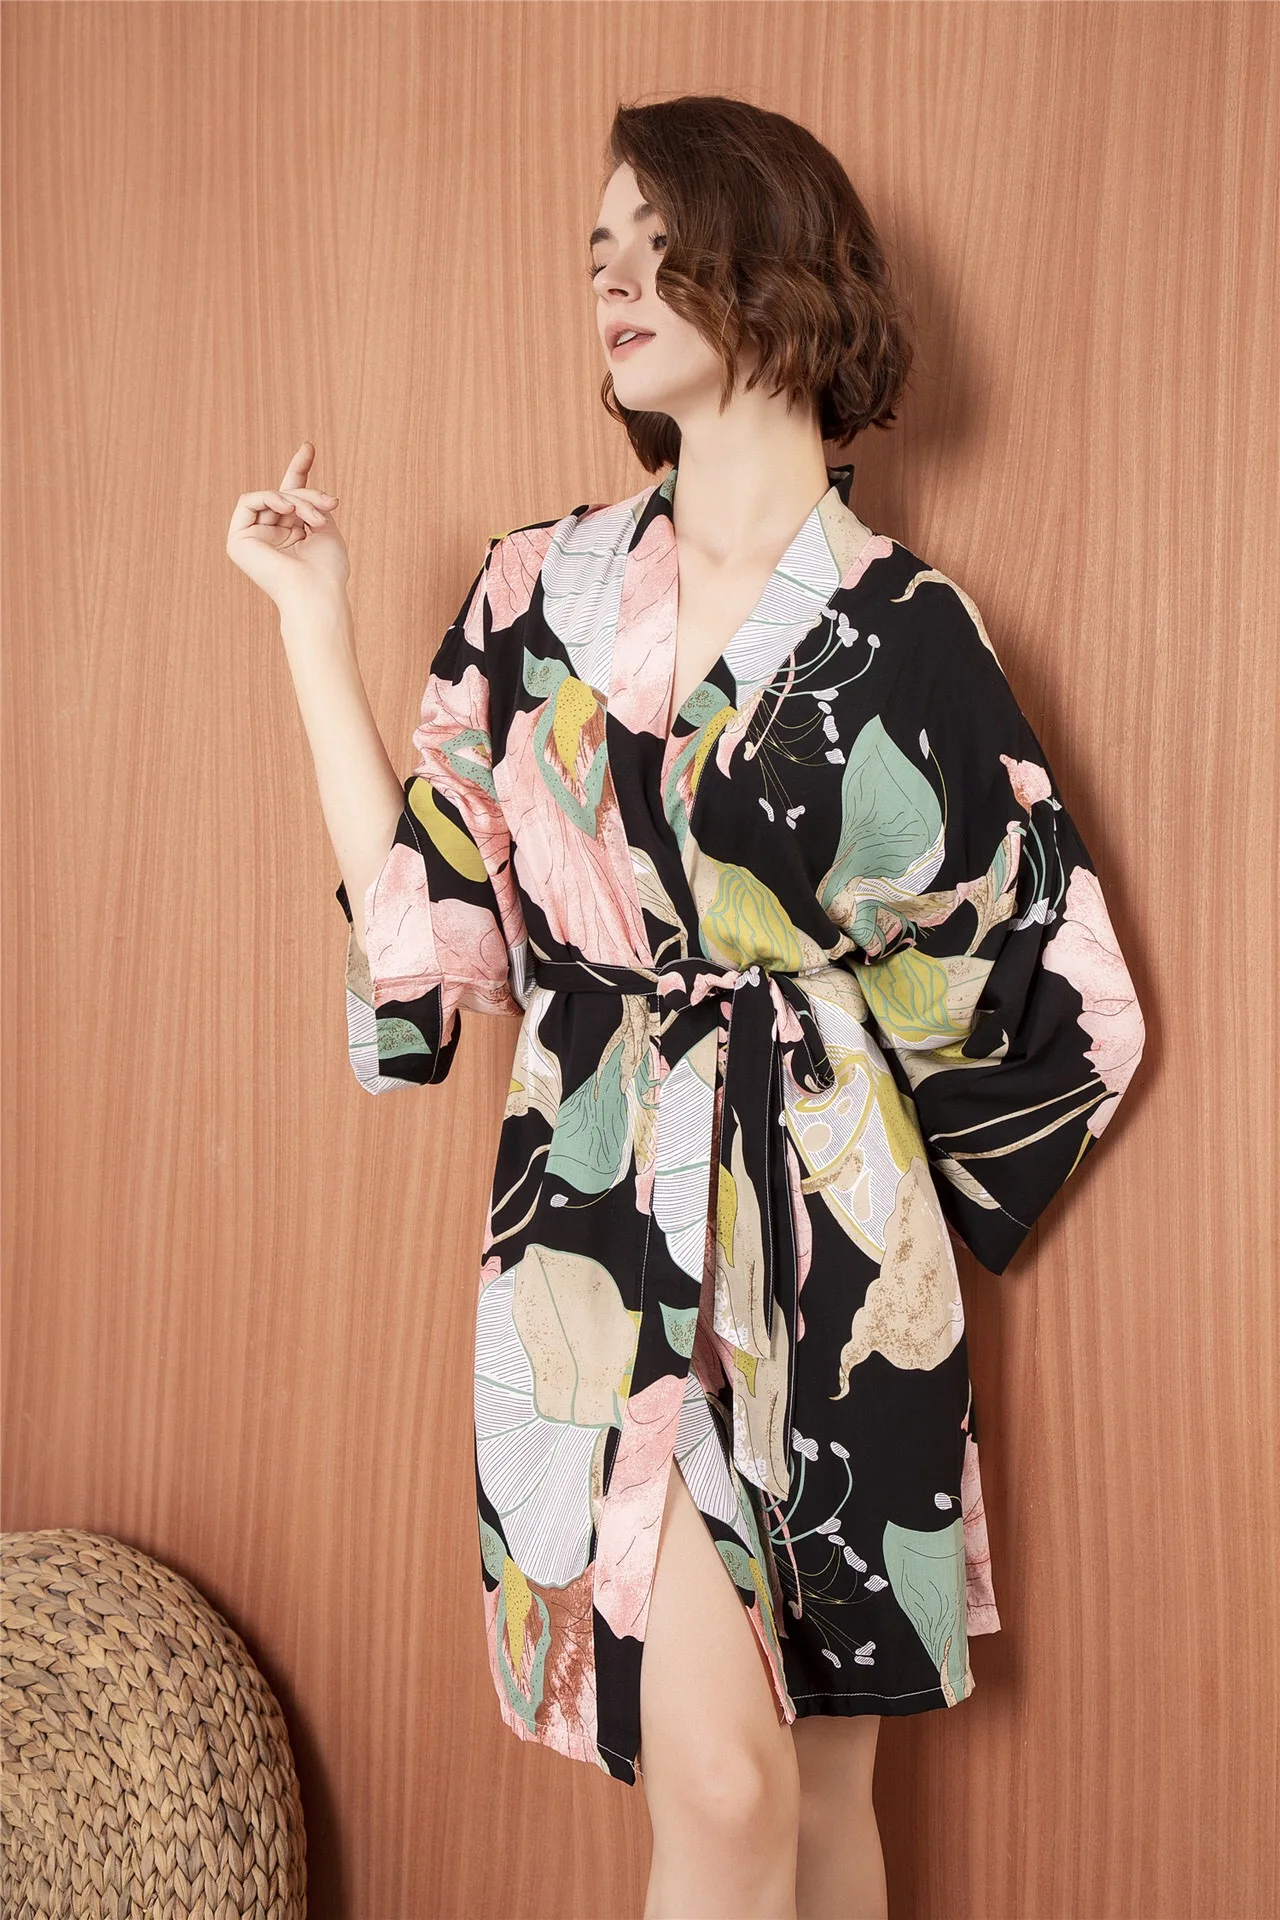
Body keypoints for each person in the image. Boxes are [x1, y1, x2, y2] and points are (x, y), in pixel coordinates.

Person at [227, 93, 1146, 1920]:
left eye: (663, 245)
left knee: (824, 1809)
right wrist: (310, 623)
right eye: (600, 253)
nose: (615, 282)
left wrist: (882, 1191)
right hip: (594, 1223)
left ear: (780, 271)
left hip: (831, 1267)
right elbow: (432, 920)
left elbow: (1066, 1003)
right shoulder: (533, 594)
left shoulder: (909, 633)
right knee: (720, 1789)